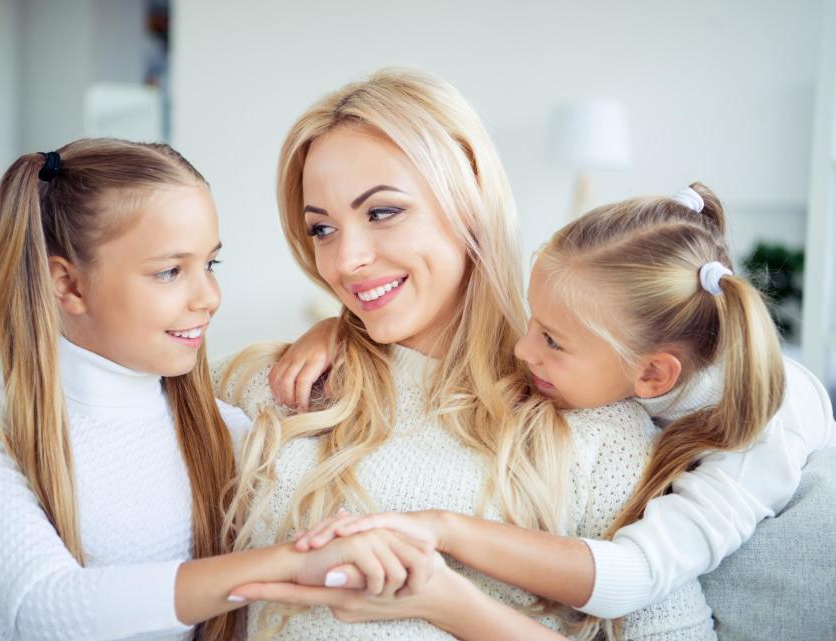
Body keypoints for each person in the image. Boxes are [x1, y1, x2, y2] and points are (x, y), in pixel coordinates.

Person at [214, 68, 716, 640]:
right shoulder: (270, 382)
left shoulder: (593, 425)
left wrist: (450, 603)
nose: (345, 260)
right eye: (322, 229)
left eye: (382, 212)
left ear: (470, 200)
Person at [0, 139, 435, 641]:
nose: (208, 296)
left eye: (211, 264)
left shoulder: (221, 429)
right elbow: (47, 609)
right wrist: (293, 561)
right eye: (169, 272)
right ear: (67, 285)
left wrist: (341, 329)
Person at [272, 183, 836, 620]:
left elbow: (632, 578)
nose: (521, 349)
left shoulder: (758, 437)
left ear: (653, 376)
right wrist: (344, 329)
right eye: (533, 321)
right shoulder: (627, 343)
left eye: (551, 340)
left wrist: (444, 529)